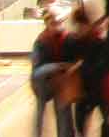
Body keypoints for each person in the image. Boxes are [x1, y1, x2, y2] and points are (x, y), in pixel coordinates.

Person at [66, 8, 109, 137]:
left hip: (100, 89)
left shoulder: (97, 41)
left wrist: (82, 65)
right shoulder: (73, 42)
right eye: (76, 26)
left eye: (81, 25)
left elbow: (107, 63)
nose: (79, 29)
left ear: (86, 24)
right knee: (80, 123)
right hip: (84, 90)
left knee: (106, 122)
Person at [29, 8, 74, 137]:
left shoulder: (64, 38)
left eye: (57, 22)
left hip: (58, 81)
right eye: (52, 23)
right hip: (42, 82)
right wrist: (57, 66)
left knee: (63, 110)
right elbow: (37, 71)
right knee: (40, 112)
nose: (56, 25)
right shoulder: (41, 41)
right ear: (47, 24)